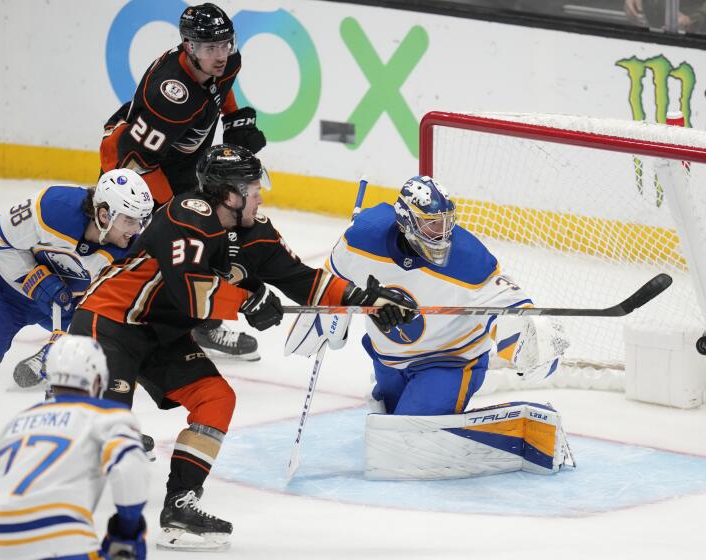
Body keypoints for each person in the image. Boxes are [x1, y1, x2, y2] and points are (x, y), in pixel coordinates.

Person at [67, 144, 414, 550]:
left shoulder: (256, 232)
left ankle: (180, 505)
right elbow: (191, 295)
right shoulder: (185, 216)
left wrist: (368, 301)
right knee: (103, 430)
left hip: (162, 336)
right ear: (228, 193)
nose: (260, 195)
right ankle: (48, 515)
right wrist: (245, 300)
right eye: (252, 187)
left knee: (216, 398)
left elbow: (305, 280)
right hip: (111, 322)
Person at [98, 2, 266, 361]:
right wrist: (173, 210)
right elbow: (137, 161)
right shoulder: (169, 96)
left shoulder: (224, 60)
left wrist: (235, 120)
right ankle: (97, 324)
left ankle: (202, 325)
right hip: (131, 168)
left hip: (179, 162)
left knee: (209, 238)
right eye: (210, 48)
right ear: (189, 47)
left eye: (225, 44)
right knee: (135, 248)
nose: (221, 55)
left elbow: (223, 86)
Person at [326, 175, 567, 416]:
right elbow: (332, 277)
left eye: (447, 222)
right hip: (389, 361)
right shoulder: (364, 236)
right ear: (406, 221)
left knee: (410, 428)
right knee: (388, 420)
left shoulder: (467, 258)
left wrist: (530, 329)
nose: (443, 233)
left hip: (449, 361)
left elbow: (506, 302)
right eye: (432, 224)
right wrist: (329, 312)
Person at [0, 169, 153, 410]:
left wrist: (70, 337)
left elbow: (113, 309)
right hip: (4, 289)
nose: (136, 229)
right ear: (103, 215)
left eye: (141, 219)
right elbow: (0, 239)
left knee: (89, 370)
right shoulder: (54, 207)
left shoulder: (132, 251)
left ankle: (98, 430)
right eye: (129, 220)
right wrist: (31, 278)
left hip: (71, 305)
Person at [0, 335, 148, 560]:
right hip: (56, 538)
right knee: (128, 551)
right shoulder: (109, 416)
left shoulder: (18, 421)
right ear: (98, 380)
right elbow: (130, 471)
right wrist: (127, 530)